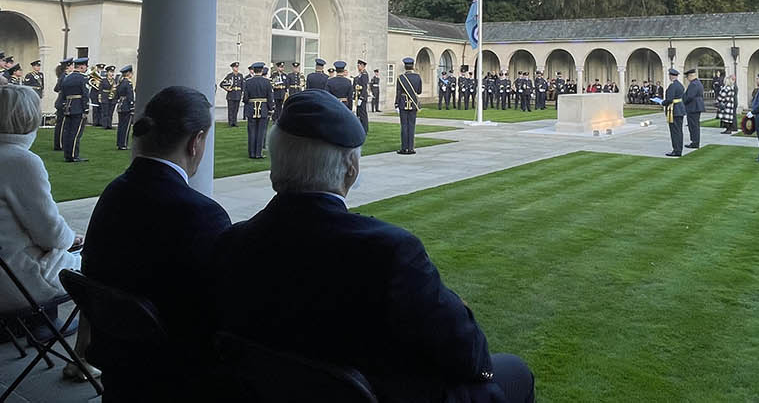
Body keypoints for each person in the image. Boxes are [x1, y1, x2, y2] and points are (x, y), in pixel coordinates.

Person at [209, 92, 534, 402]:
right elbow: (469, 354)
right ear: (351, 169)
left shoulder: (232, 242)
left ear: (275, 165)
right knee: (513, 371)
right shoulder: (390, 253)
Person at [83, 86, 231, 400]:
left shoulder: (114, 192)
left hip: (117, 363)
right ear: (196, 142)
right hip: (173, 374)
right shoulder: (202, 214)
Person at [0, 85, 94, 380]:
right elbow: (51, 234)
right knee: (100, 266)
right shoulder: (20, 161)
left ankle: (27, 328)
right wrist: (72, 239)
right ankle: (84, 358)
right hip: (17, 286)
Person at [60, 57, 90, 163]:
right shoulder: (83, 78)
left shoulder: (67, 78)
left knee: (67, 132)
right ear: (82, 66)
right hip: (78, 107)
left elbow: (62, 94)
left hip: (68, 106)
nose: (86, 68)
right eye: (86, 66)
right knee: (76, 133)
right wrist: (86, 109)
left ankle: (67, 154)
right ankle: (73, 155)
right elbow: (85, 95)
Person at [243, 62, 273, 159]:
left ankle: (251, 153)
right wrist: (270, 108)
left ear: (254, 70)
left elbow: (245, 98)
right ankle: (258, 153)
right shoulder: (267, 82)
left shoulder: (248, 81)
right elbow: (270, 97)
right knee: (261, 132)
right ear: (262, 70)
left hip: (251, 108)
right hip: (263, 108)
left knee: (251, 131)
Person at [395, 57, 423, 154]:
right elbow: (419, 91)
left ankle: (404, 148)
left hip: (403, 103)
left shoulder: (401, 78)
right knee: (412, 126)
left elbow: (398, 92)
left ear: (405, 66)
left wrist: (396, 104)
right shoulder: (418, 77)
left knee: (404, 126)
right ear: (413, 66)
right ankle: (411, 148)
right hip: (413, 104)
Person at [660, 68, 686, 157]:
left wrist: (663, 102)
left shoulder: (672, 86)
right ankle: (679, 149)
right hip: (680, 109)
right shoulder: (680, 85)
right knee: (679, 130)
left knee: (675, 131)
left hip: (674, 110)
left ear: (671, 76)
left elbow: (670, 99)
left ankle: (676, 150)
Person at [114, 65, 136, 150]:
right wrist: (132, 106)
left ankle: (119, 143)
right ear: (129, 73)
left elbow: (117, 95)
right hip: (126, 106)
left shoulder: (121, 83)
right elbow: (130, 96)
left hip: (121, 105)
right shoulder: (128, 83)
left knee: (120, 126)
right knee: (126, 126)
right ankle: (123, 144)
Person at [220, 61, 244, 128]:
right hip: (231, 94)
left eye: (237, 67)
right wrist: (227, 89)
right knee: (231, 109)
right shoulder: (229, 76)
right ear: (232, 68)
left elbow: (243, 86)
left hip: (238, 94)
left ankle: (235, 122)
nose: (236, 68)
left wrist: (242, 93)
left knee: (236, 109)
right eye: (235, 67)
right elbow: (222, 84)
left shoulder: (240, 75)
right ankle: (230, 123)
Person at [354, 61, 371, 133]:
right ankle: (361, 128)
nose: (358, 67)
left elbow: (364, 87)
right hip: (358, 96)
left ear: (362, 66)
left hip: (362, 97)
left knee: (363, 114)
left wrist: (361, 97)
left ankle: (365, 129)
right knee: (359, 113)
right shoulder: (360, 74)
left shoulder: (364, 74)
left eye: (359, 65)